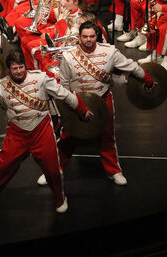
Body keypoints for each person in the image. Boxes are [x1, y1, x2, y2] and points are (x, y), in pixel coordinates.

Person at [0, 51, 89, 212]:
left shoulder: (41, 79)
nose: (18, 71)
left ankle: (60, 198)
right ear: (9, 69)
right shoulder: (2, 86)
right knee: (2, 166)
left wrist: (82, 109)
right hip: (17, 132)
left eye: (21, 67)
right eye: (14, 68)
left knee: (52, 168)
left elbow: (64, 94)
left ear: (25, 66)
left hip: (41, 130)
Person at [58, 21, 154, 185]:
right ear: (79, 37)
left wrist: (148, 78)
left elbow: (130, 66)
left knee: (107, 136)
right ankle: (55, 171)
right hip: (77, 101)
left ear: (97, 36)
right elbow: (64, 83)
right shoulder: (68, 56)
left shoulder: (109, 52)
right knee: (68, 137)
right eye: (85, 36)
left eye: (92, 36)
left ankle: (114, 171)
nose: (88, 40)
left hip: (102, 99)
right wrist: (68, 106)